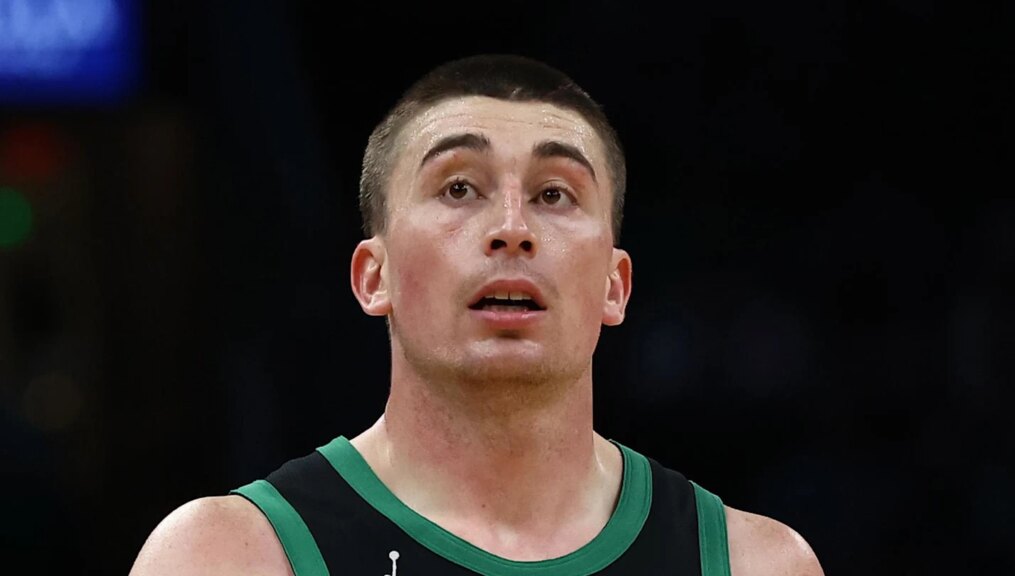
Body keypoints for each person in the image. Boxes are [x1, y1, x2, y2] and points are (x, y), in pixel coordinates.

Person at [129, 53, 825, 576]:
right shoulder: (229, 556)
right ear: (376, 276)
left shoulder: (755, 563)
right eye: (459, 187)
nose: (512, 229)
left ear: (615, 287)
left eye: (555, 195)